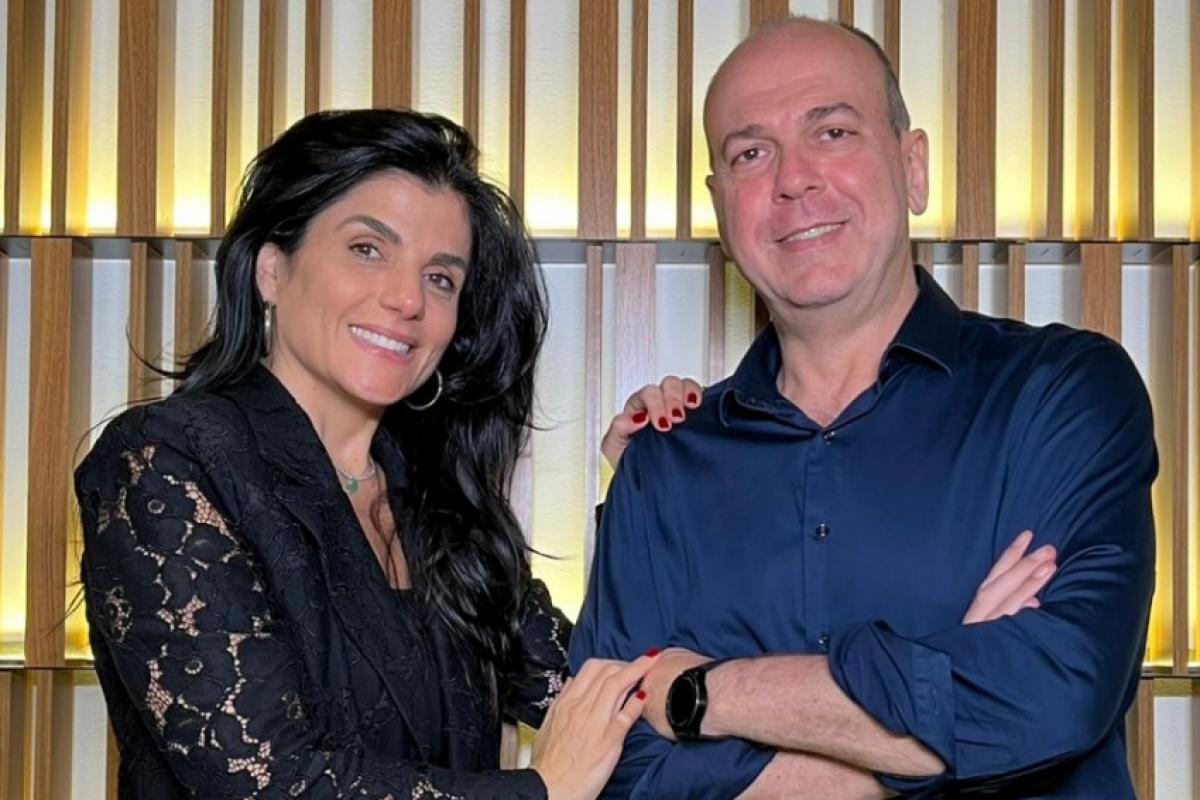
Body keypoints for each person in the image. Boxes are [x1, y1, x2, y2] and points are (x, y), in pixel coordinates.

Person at [570, 17, 1155, 800]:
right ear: (721, 209)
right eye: (750, 153)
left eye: (833, 132)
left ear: (912, 169)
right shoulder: (665, 460)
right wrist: (928, 725)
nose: (793, 180)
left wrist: (700, 693)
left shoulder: (1060, 393)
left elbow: (1054, 695)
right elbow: (612, 768)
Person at [77, 108, 682, 800]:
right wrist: (543, 791)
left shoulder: (438, 493)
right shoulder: (163, 459)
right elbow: (263, 782)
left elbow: (592, 691)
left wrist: (649, 493)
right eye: (367, 248)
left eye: (441, 278)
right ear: (272, 269)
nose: (406, 299)